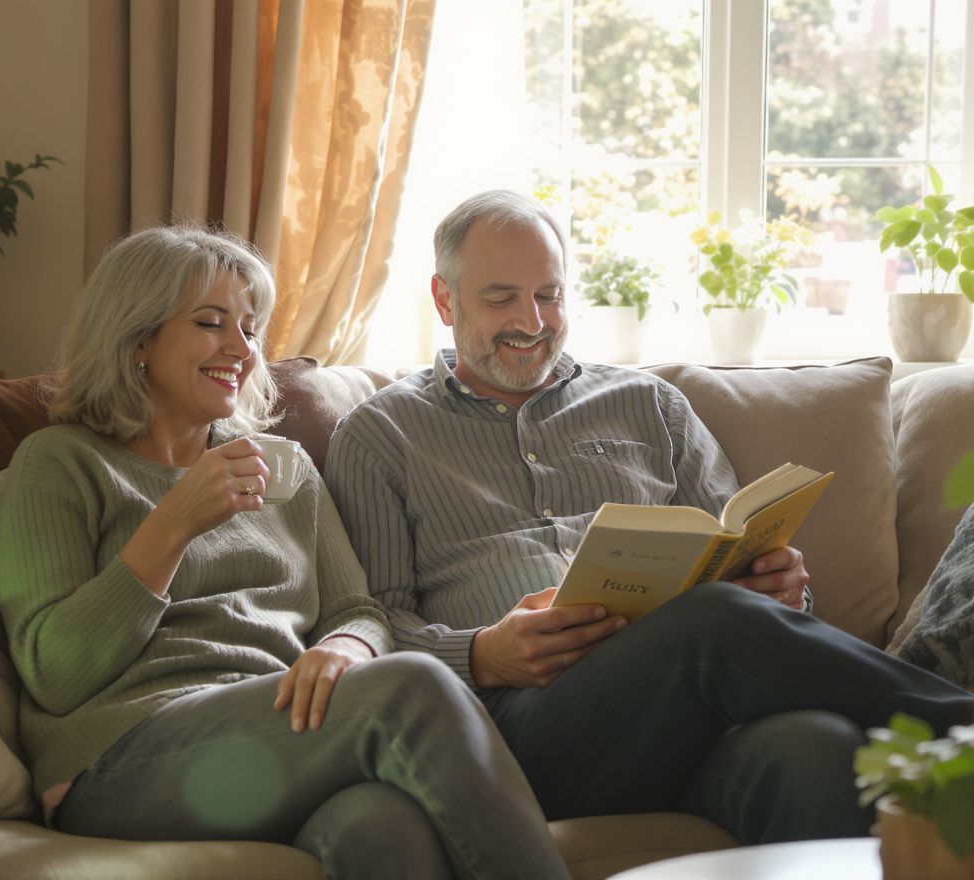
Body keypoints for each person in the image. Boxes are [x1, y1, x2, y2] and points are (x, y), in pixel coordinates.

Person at [324, 189, 974, 845]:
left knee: (817, 746)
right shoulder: (379, 436)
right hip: (514, 731)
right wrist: (483, 655)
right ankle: (962, 726)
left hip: (687, 724)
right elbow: (368, 621)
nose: (533, 319)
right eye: (501, 299)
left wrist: (783, 589)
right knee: (711, 619)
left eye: (549, 295)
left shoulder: (650, 405)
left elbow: (735, 545)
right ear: (445, 300)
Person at [0, 225, 572, 880]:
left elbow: (357, 611)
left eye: (250, 329)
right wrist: (174, 522)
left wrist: (346, 647)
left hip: (275, 735)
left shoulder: (285, 467)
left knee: (380, 822)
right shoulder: (59, 462)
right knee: (411, 686)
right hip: (123, 760)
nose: (242, 350)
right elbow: (54, 673)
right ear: (138, 337)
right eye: (211, 323)